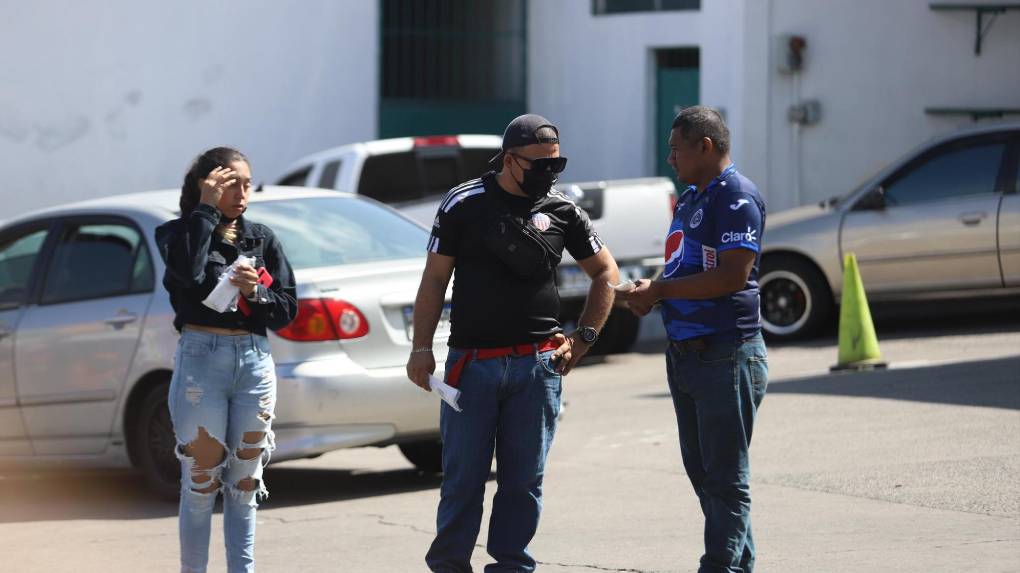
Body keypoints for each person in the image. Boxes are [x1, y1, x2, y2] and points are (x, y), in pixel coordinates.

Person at [406, 114, 620, 572]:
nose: (549, 173)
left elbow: (606, 271)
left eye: (556, 163)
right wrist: (421, 349)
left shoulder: (562, 209)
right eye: (539, 164)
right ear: (509, 160)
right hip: (472, 366)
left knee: (523, 483)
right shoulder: (464, 203)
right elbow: (435, 279)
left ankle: (511, 566)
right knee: (463, 481)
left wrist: (584, 338)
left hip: (538, 368)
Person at [618, 106, 769, 573]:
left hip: (726, 352)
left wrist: (660, 291)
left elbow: (731, 275)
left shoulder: (736, 197)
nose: (670, 158)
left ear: (704, 146)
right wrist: (648, 292)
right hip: (686, 356)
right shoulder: (689, 199)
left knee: (725, 479)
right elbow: (683, 266)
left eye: (676, 149)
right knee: (705, 475)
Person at [155, 147, 297, 573]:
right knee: (201, 482)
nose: (241, 193)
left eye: (247, 184)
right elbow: (186, 275)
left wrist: (256, 292)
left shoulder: (262, 238)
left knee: (244, 484)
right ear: (206, 185)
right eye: (230, 183)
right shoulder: (176, 233)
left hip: (253, 363)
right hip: (202, 364)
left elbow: (287, 311)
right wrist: (204, 210)